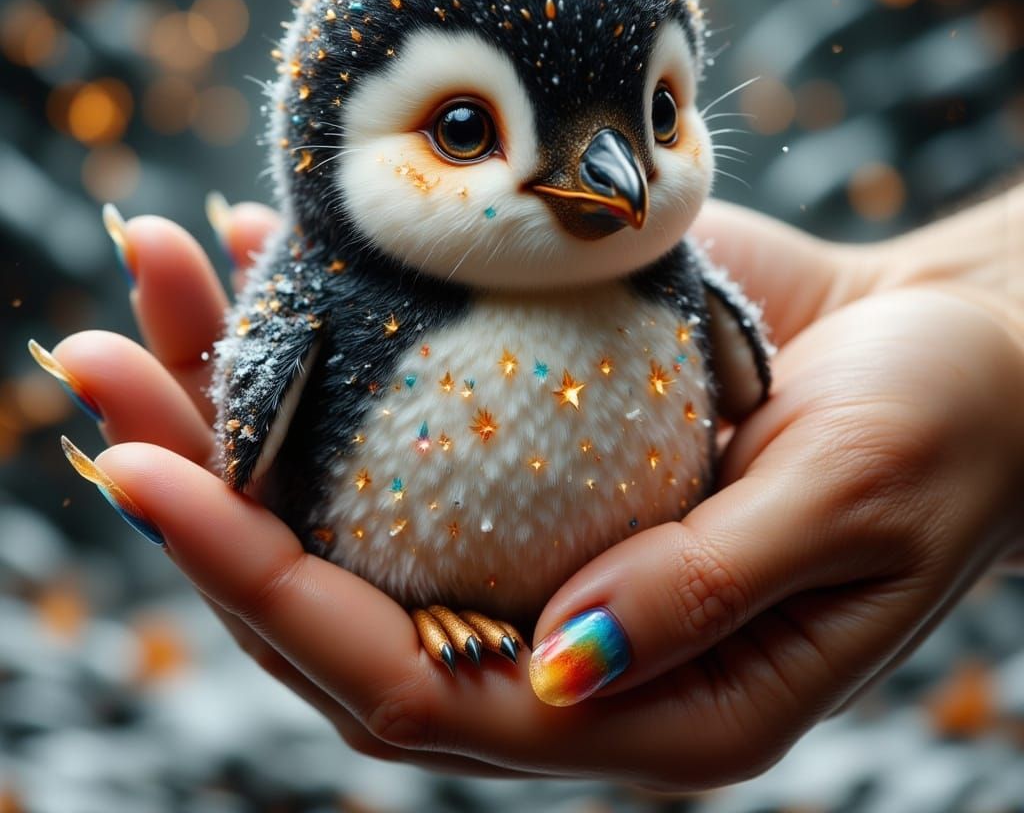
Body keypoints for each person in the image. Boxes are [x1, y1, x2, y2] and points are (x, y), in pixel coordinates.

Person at [37, 187, 1023, 790]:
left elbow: (755, 378)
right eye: (466, 130)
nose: (613, 174)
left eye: (656, 116)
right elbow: (246, 446)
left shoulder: (667, 272)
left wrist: (974, 320)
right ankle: (434, 607)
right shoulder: (334, 280)